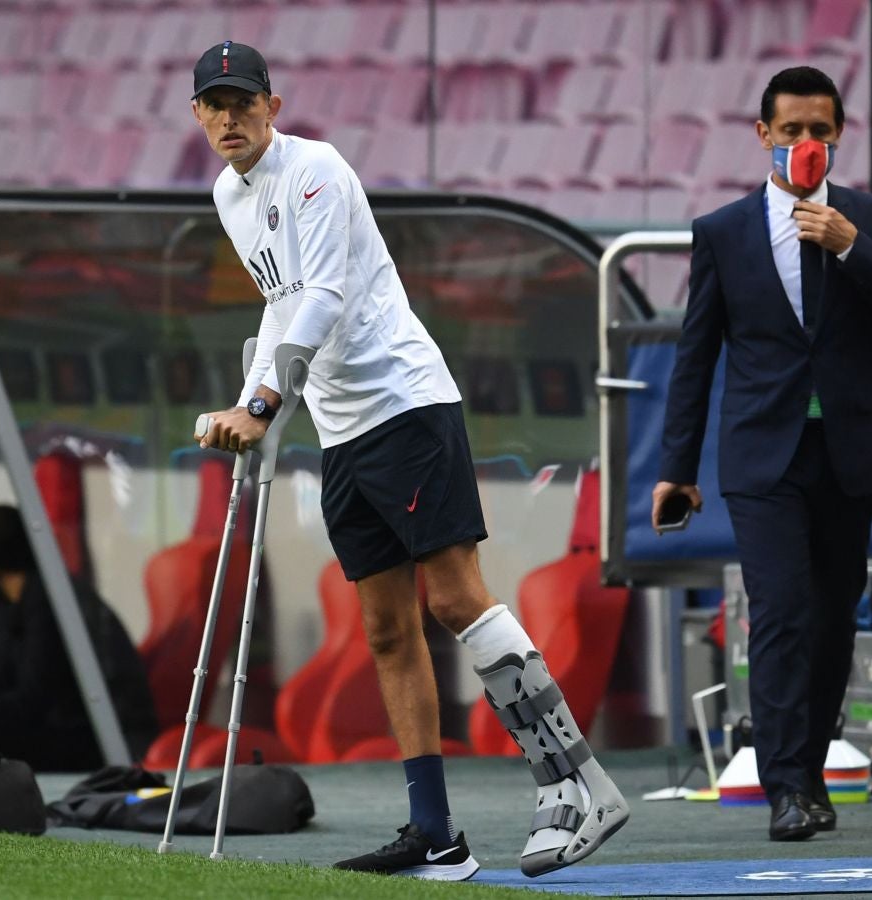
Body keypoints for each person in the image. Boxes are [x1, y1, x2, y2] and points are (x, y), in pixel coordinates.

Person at [189, 42, 627, 881]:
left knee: (457, 597)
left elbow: (323, 295)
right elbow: (280, 310)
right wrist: (252, 397)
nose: (230, 116)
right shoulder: (227, 195)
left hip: (406, 404)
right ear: (198, 116)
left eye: (244, 101)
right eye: (215, 104)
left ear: (273, 106)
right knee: (388, 630)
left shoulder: (315, 169)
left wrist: (260, 407)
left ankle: (578, 782)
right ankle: (436, 835)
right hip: (343, 429)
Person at [655, 66, 872, 842]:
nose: (806, 144)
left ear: (839, 137)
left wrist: (854, 247)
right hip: (761, 456)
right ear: (763, 135)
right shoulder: (724, 232)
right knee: (779, 613)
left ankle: (809, 763)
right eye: (791, 130)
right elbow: (695, 358)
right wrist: (678, 468)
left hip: (846, 449)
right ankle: (788, 787)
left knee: (834, 617)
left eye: (820, 132)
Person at [0, 505, 158, 775]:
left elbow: (34, 696)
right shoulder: (8, 600)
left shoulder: (49, 602)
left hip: (90, 732)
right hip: (46, 718)